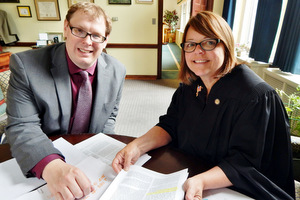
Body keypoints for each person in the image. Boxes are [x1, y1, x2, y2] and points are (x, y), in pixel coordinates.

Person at [112, 11, 295, 200]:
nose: (198, 51)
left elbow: (246, 163)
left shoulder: (255, 96)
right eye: (190, 44)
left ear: (226, 45)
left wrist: (202, 181)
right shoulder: (190, 87)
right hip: (190, 174)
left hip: (238, 190)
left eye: (208, 42)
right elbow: (169, 126)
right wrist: (136, 146)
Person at [5, 2, 126, 200]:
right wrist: (52, 166)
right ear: (66, 29)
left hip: (90, 162)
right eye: (79, 30)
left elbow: (109, 118)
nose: (88, 42)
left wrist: (103, 156)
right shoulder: (26, 66)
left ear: (105, 41)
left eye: (96, 35)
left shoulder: (117, 71)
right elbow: (22, 125)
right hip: (42, 161)